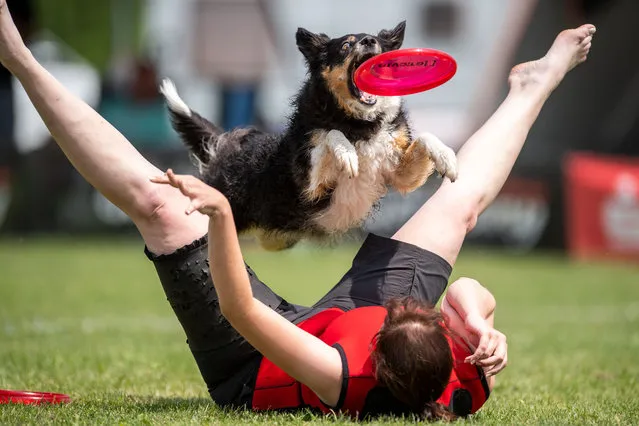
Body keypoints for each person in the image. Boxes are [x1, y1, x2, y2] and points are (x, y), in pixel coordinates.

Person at [0, 0, 595, 420]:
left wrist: (221, 215)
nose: (408, 307)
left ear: (378, 350)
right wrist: (482, 325)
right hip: (358, 336)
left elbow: (239, 309)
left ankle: (19, 59)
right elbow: (471, 289)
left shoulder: (342, 374)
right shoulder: (458, 379)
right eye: (430, 315)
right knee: (458, 203)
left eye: (397, 316)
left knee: (160, 206)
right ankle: (534, 83)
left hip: (255, 361)